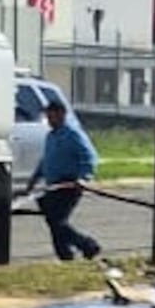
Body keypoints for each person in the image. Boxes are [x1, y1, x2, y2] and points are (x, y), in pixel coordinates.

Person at [32, 91, 103, 263]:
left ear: (61, 115)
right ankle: (65, 255)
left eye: (52, 115)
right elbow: (46, 160)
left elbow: (90, 157)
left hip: (69, 185)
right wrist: (34, 179)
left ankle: (88, 245)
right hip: (53, 185)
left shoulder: (72, 134)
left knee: (57, 221)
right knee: (53, 221)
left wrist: (83, 177)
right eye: (47, 115)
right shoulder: (51, 136)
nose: (49, 119)